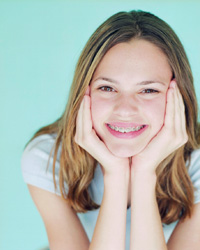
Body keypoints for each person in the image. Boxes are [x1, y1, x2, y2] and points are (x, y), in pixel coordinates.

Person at [21, 10, 200, 250]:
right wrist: (115, 174)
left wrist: (144, 173)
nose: (125, 110)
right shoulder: (47, 156)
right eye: (107, 88)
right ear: (83, 93)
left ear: (179, 97)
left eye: (148, 90)